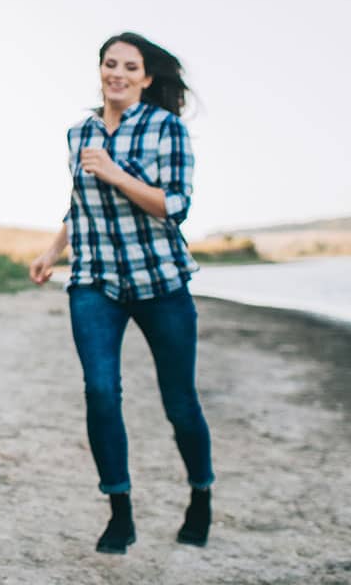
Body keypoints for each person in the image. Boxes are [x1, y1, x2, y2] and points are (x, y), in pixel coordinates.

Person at [29, 32, 214, 554]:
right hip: (94, 281)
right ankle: (120, 510)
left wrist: (112, 172)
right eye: (110, 64)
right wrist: (51, 252)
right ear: (100, 70)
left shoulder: (167, 128)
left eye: (129, 67)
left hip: (160, 280)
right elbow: (79, 207)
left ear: (146, 77)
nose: (118, 73)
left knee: (179, 402)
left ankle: (200, 493)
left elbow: (174, 205)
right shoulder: (78, 133)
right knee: (101, 391)